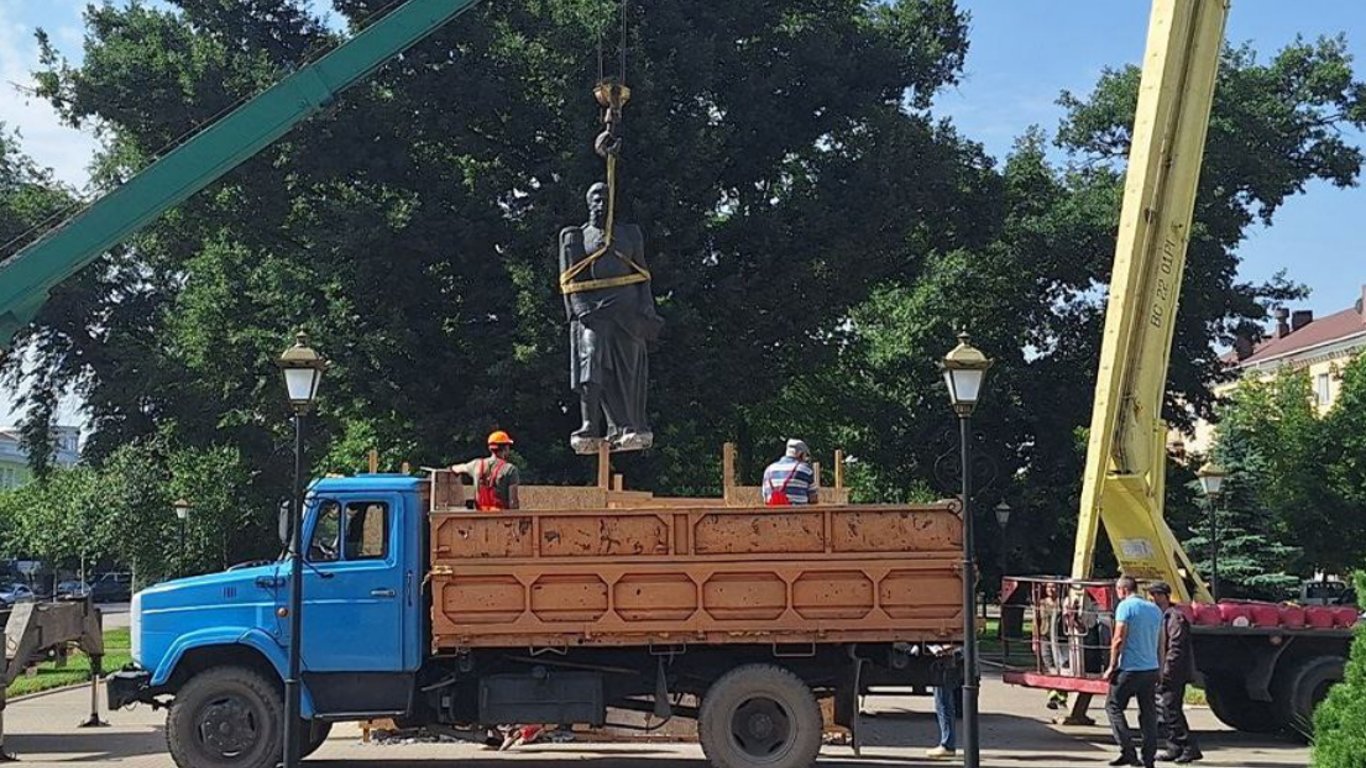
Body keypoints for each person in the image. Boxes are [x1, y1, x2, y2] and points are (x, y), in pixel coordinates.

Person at [1103, 575, 1163, 768]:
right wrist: (1160, 668)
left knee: (1113, 706)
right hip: (1151, 668)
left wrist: (1112, 666)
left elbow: (1118, 639)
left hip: (1130, 668)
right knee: (1148, 713)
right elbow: (1162, 641)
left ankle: (1128, 751)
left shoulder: (1125, 607)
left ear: (1122, 590)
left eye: (1117, 591)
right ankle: (1148, 758)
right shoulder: (1155, 609)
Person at [1147, 581, 1202, 763]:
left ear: (1165, 596)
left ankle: (1189, 746)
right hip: (1162, 669)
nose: (1153, 598)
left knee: (1171, 709)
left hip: (1173, 672)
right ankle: (1174, 747)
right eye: (1151, 595)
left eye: (1156, 595)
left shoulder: (1175, 617)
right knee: (1167, 709)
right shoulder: (1161, 616)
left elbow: (1175, 647)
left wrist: (1166, 671)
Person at [450, 431, 521, 511]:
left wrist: (450, 468)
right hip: (501, 519)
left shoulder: (476, 465)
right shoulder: (510, 469)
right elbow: (513, 502)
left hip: (479, 517)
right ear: (505, 448)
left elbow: (455, 469)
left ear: (490, 448)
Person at [923, 644, 962, 760]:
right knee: (944, 703)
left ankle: (948, 744)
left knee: (943, 703)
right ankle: (948, 743)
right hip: (949, 658)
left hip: (944, 659)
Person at [761, 439, 819, 506]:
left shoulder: (769, 470)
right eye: (805, 455)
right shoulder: (805, 470)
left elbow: (765, 498)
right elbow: (813, 498)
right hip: (799, 515)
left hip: (772, 515)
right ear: (800, 454)